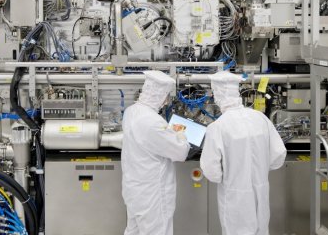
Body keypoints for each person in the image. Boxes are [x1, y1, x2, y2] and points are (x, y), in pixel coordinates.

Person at [200, 71, 287, 235]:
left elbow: (212, 172)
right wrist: (258, 171)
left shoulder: (218, 127)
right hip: (261, 192)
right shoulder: (260, 119)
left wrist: (231, 174)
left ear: (217, 95)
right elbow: (278, 156)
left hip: (235, 198)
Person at [121, 70, 190, 235]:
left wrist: (168, 132)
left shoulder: (131, 112)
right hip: (152, 194)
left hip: (134, 189)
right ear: (160, 95)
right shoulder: (152, 122)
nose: (166, 102)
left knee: (134, 231)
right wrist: (181, 134)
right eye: (166, 96)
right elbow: (180, 152)